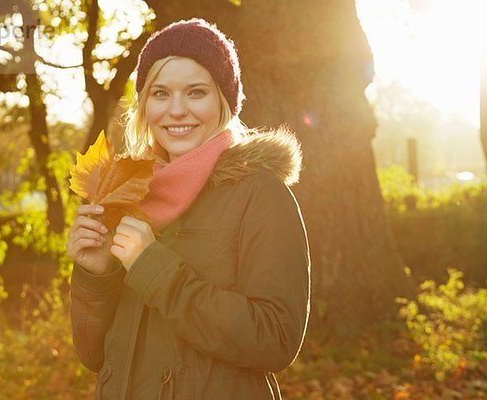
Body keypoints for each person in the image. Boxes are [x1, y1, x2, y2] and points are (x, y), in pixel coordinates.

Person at [66, 18, 310, 400]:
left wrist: (153, 267)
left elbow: (275, 338)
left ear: (224, 101)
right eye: (160, 94)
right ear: (144, 104)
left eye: (196, 92)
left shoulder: (260, 195)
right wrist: (95, 275)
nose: (176, 110)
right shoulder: (124, 198)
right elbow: (93, 354)